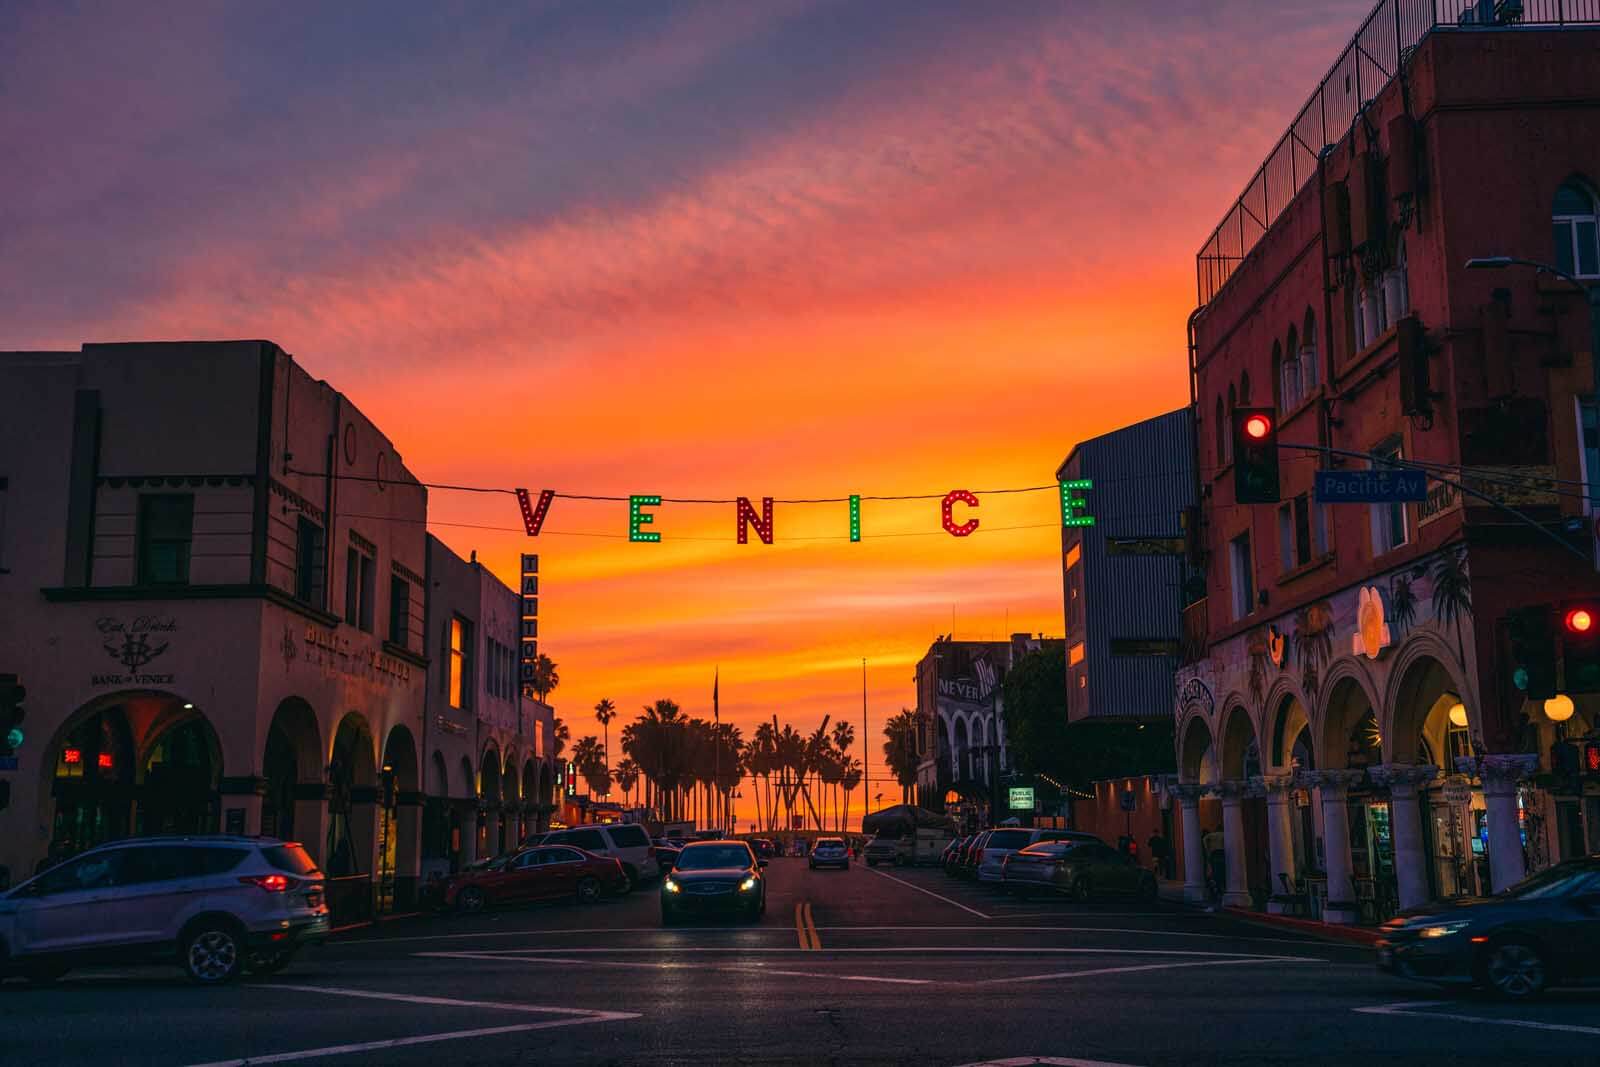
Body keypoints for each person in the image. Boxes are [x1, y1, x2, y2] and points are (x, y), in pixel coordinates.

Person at [1203, 826, 1226, 910]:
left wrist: (1207, 849)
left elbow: (1204, 839)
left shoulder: (1211, 835)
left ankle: (1216, 890)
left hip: (1213, 852)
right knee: (1221, 871)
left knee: (1214, 870)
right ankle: (1219, 889)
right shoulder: (1224, 834)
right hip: (1221, 852)